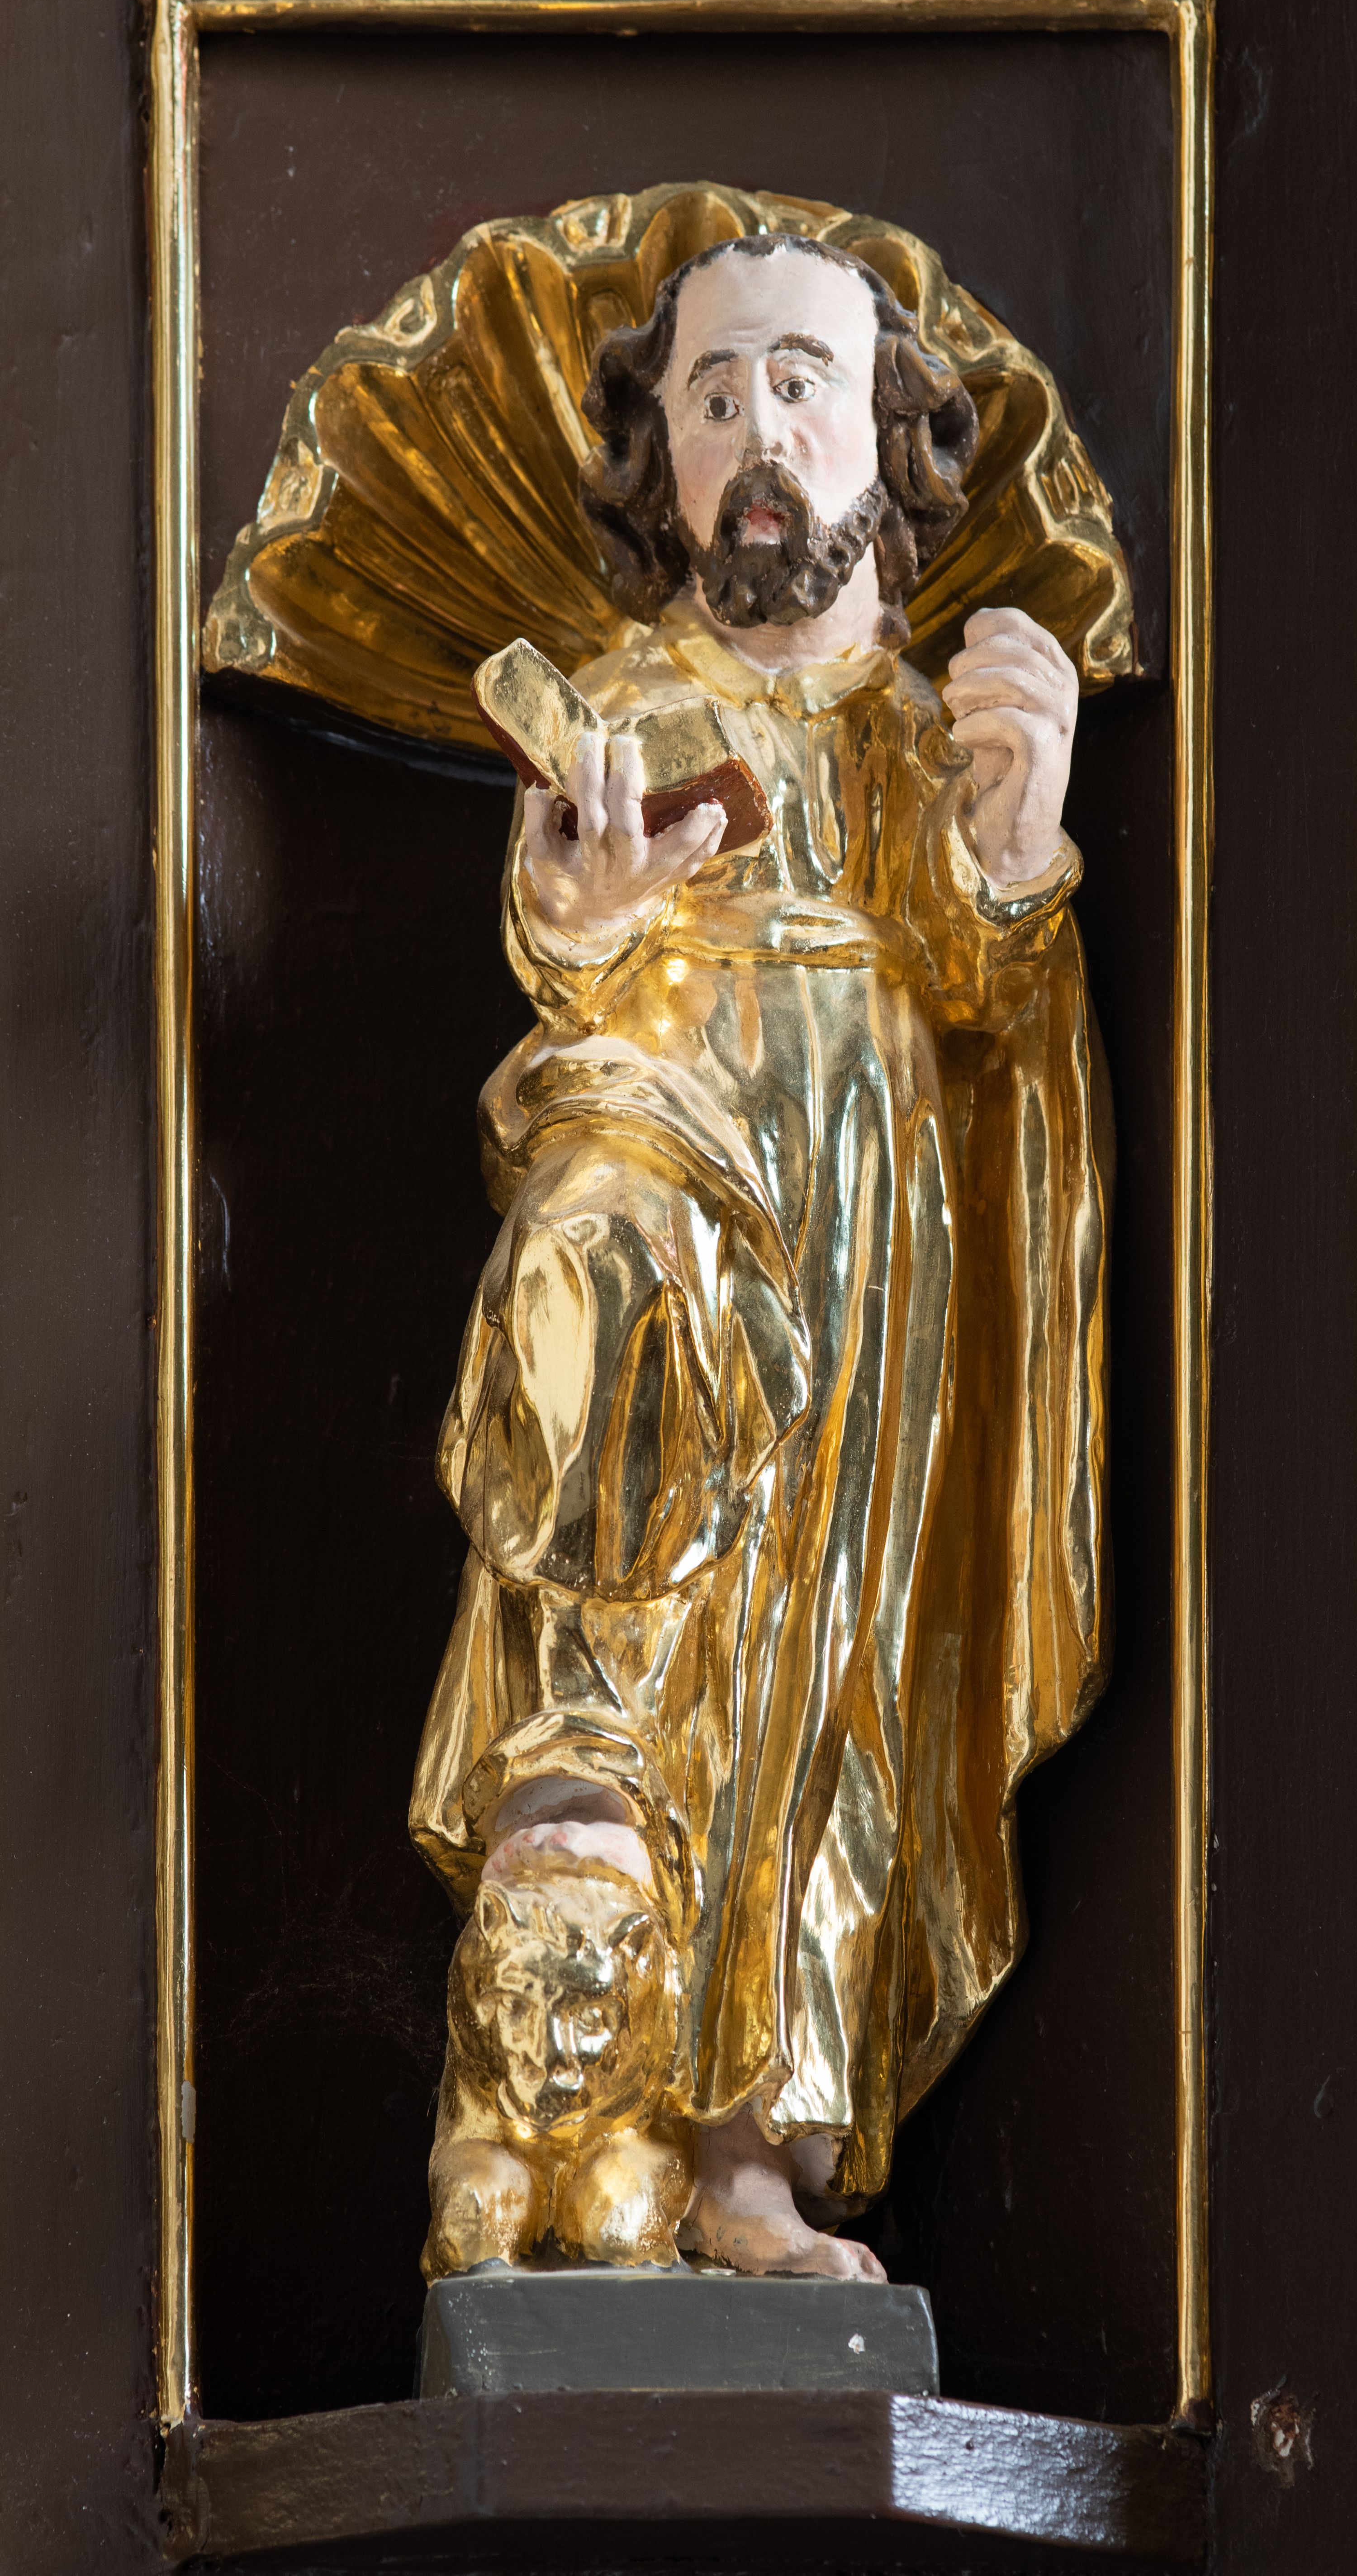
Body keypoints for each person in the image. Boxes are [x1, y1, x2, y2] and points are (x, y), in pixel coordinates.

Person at [411, 232, 1112, 2279]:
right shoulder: (619, 706)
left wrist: (1018, 842)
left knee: (831, 1673)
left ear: (886, 441)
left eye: (802, 382)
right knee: (645, 1633)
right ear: (666, 457)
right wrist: (582, 908)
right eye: (713, 397)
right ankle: (573, 2103)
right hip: (674, 1196)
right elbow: (560, 946)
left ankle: (746, 2159)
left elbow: (994, 998)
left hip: (874, 1227)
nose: (759, 434)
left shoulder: (923, 729)